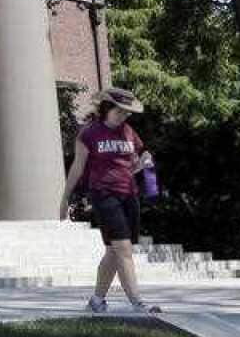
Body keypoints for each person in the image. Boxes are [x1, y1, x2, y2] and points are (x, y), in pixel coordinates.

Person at [60, 87, 161, 314]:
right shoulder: (89, 134)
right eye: (121, 111)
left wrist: (144, 162)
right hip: (104, 195)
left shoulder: (129, 132)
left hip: (129, 194)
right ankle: (138, 304)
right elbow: (77, 168)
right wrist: (65, 198)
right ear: (107, 108)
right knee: (123, 249)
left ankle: (96, 301)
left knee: (114, 252)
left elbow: (133, 165)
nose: (125, 116)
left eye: (127, 112)